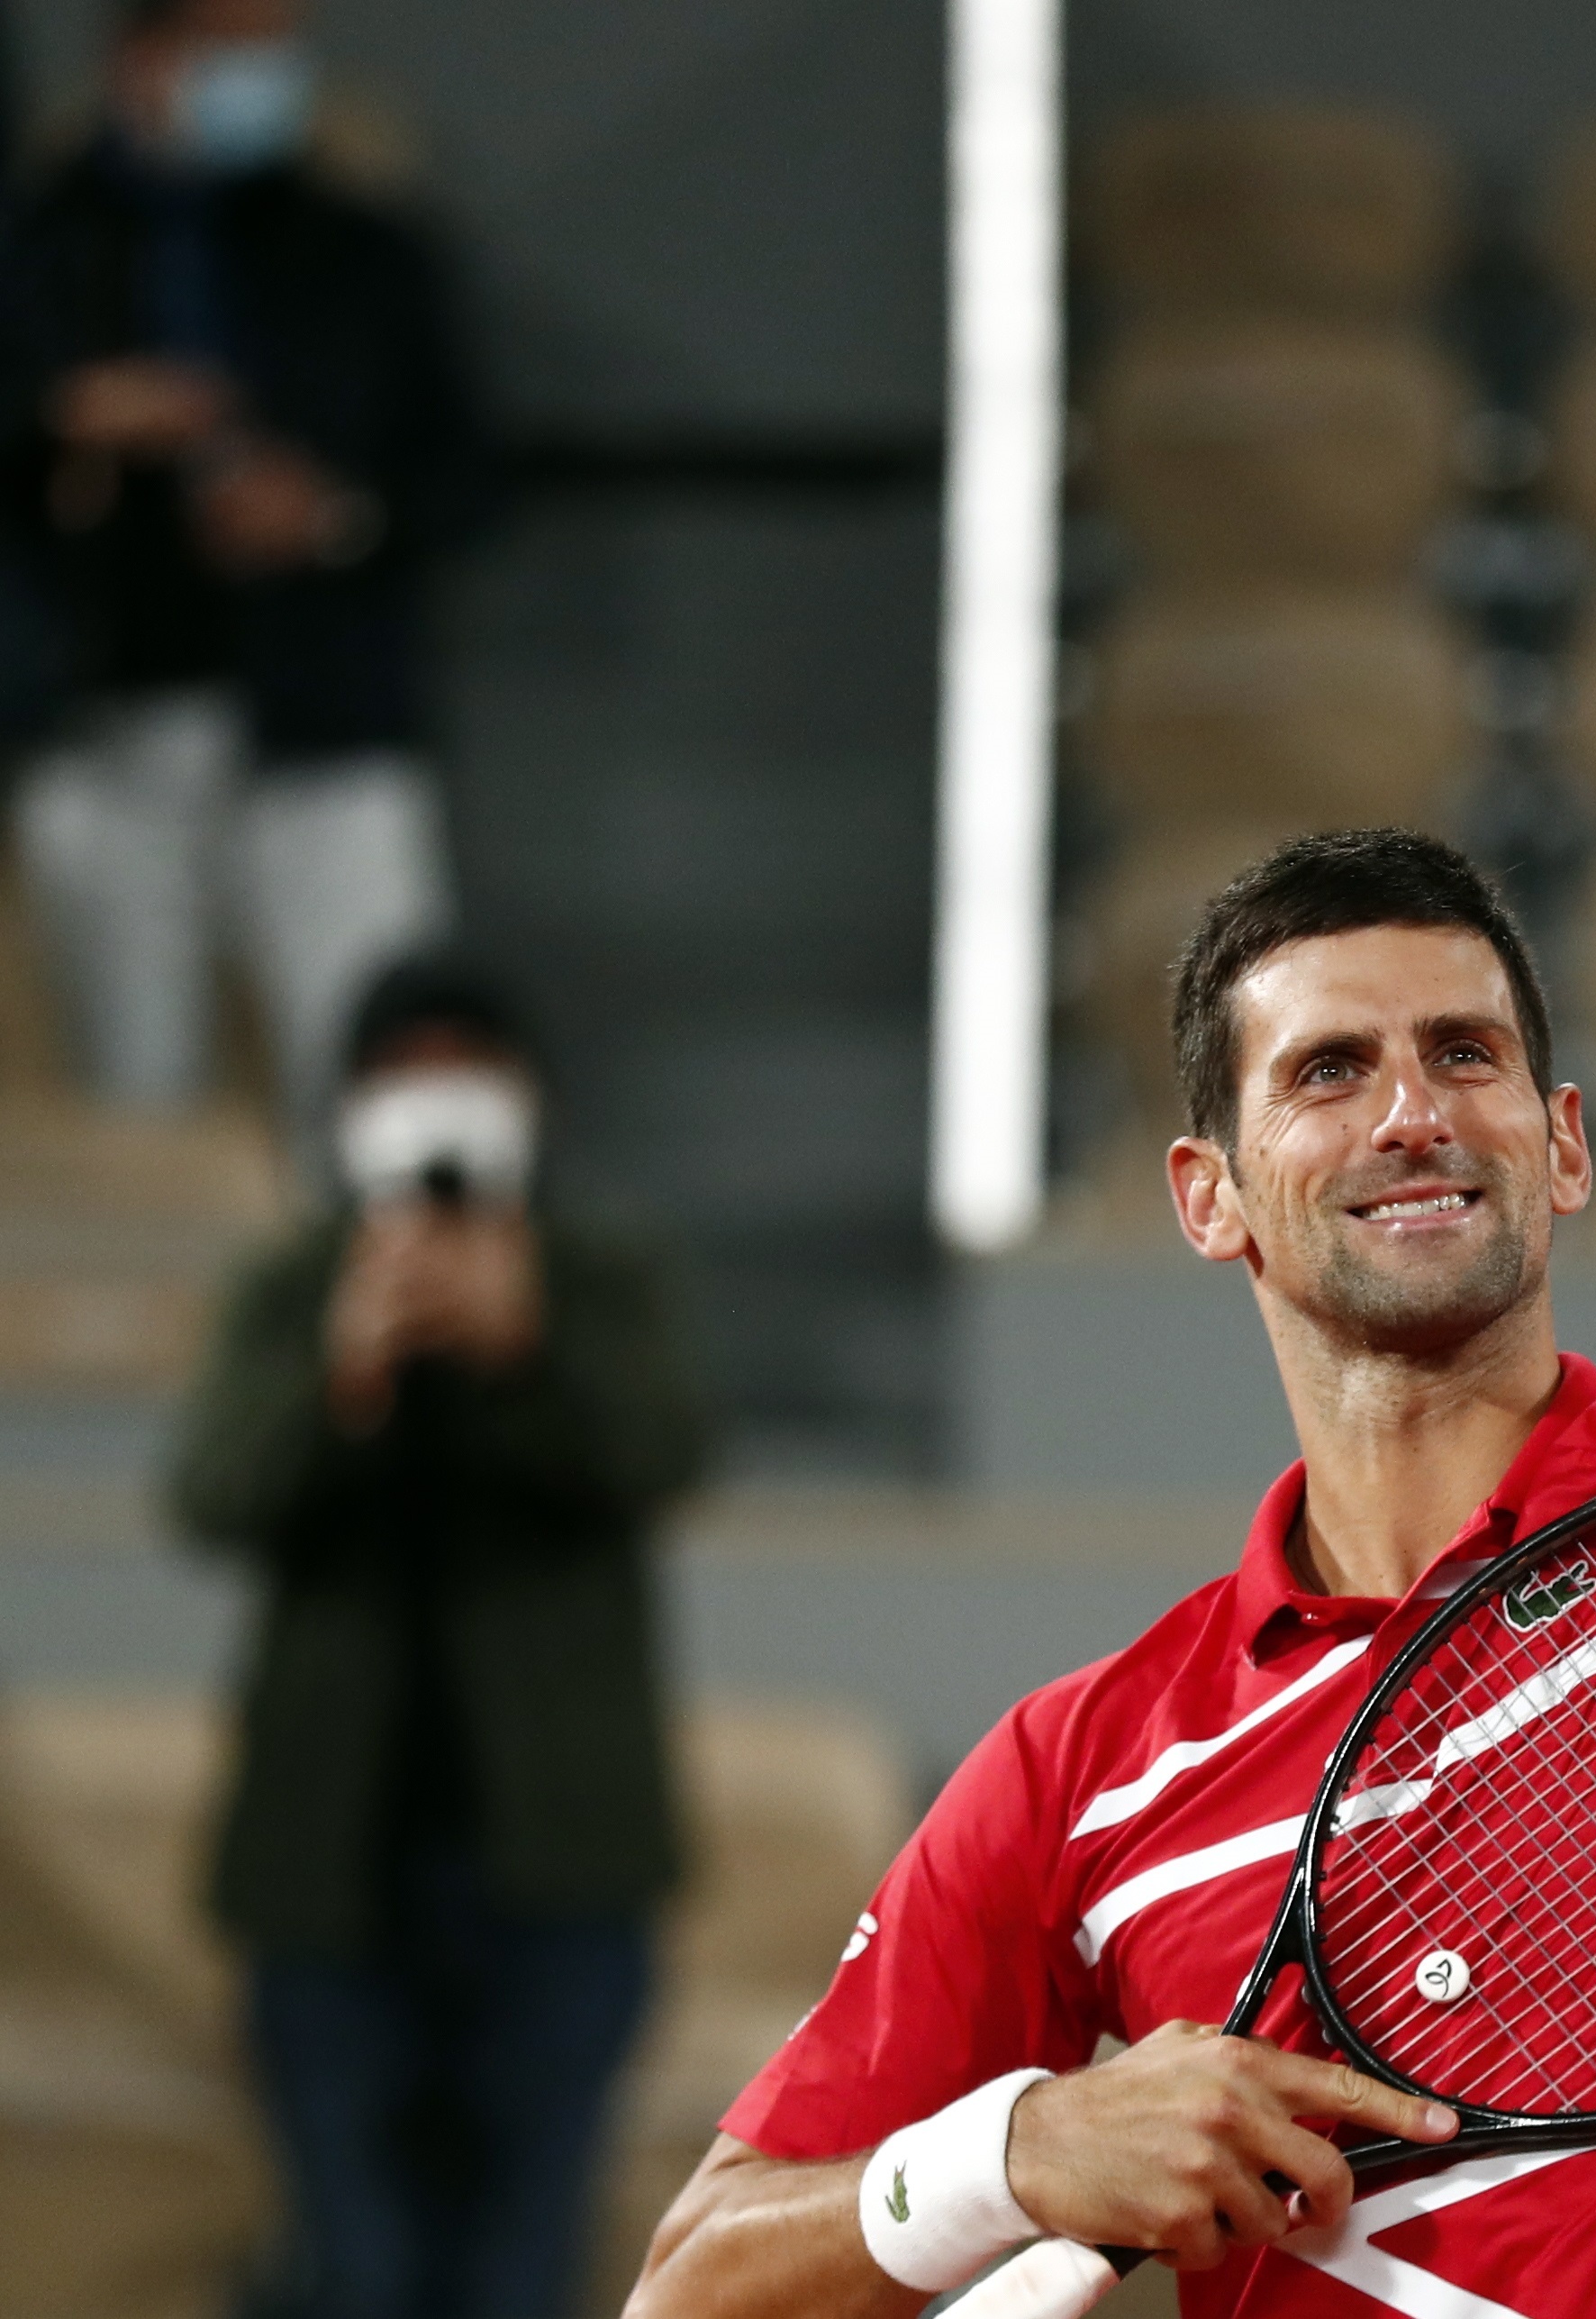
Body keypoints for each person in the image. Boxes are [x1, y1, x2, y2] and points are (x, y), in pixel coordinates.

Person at [627, 60, 1596, 2319]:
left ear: (1558, 1140)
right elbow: (689, 2280)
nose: (1409, 1108)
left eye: (1467, 1052)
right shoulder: (1084, 1776)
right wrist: (1015, 2143)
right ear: (1208, 1188)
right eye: (1331, 1068)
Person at [171, 952, 710, 2319]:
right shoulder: (294, 1280)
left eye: (464, 1070)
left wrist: (522, 1349)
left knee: (521, 2261)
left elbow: (664, 1448)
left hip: (561, 1868)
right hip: (326, 1866)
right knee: (359, 2262)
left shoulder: (598, 1274)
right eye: (399, 1075)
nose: (434, 1105)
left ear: (526, 1098)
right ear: (346, 1103)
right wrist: (340, 1373)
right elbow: (212, 1490)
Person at [1, 0, 491, 1133]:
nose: (262, 77)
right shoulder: (37, 250)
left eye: (275, 48)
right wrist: (60, 421)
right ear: (141, 56)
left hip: (327, 721)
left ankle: (383, 1307)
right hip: (109, 728)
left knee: (386, 1077)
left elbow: (466, 475)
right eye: (226, 49)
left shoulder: (364, 249)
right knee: (134, 1111)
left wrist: (332, 515)